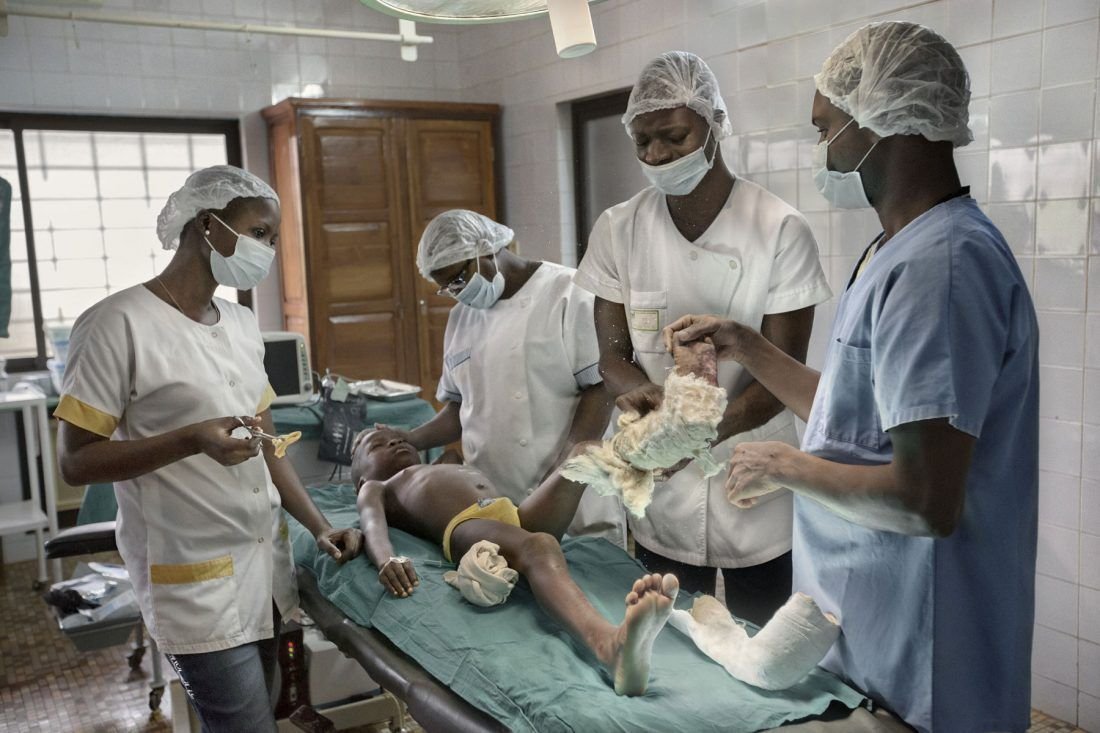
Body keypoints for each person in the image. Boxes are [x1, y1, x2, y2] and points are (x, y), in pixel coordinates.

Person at [664, 22, 1039, 733]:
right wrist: (748, 344)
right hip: (869, 617)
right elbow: (853, 415)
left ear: (881, 121)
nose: (822, 150)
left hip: (926, 636)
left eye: (824, 128)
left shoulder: (942, 266)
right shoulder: (897, 249)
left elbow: (926, 500)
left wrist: (786, 465)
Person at [54, 165, 364, 733]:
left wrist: (319, 526)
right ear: (207, 225)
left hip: (263, 570)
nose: (268, 250)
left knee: (265, 712)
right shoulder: (115, 324)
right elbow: (75, 462)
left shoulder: (241, 323)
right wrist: (190, 440)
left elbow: (269, 445)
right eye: (259, 232)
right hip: (193, 578)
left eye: (273, 237)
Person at [574, 51, 832, 626]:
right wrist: (641, 401)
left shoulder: (780, 229)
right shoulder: (619, 229)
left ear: (715, 124)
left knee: (762, 633)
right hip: (659, 493)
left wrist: (689, 437)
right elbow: (612, 357)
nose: (656, 155)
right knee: (666, 630)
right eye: (642, 141)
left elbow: (782, 376)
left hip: (754, 475)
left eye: (673, 137)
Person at [390, 209, 623, 544]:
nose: (457, 292)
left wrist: (566, 469)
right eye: (446, 288)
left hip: (571, 495)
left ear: (486, 250)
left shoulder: (567, 293)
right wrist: (412, 439)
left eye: (458, 279)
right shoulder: (460, 318)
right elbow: (461, 408)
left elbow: (601, 389)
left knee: (577, 570)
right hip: (491, 500)